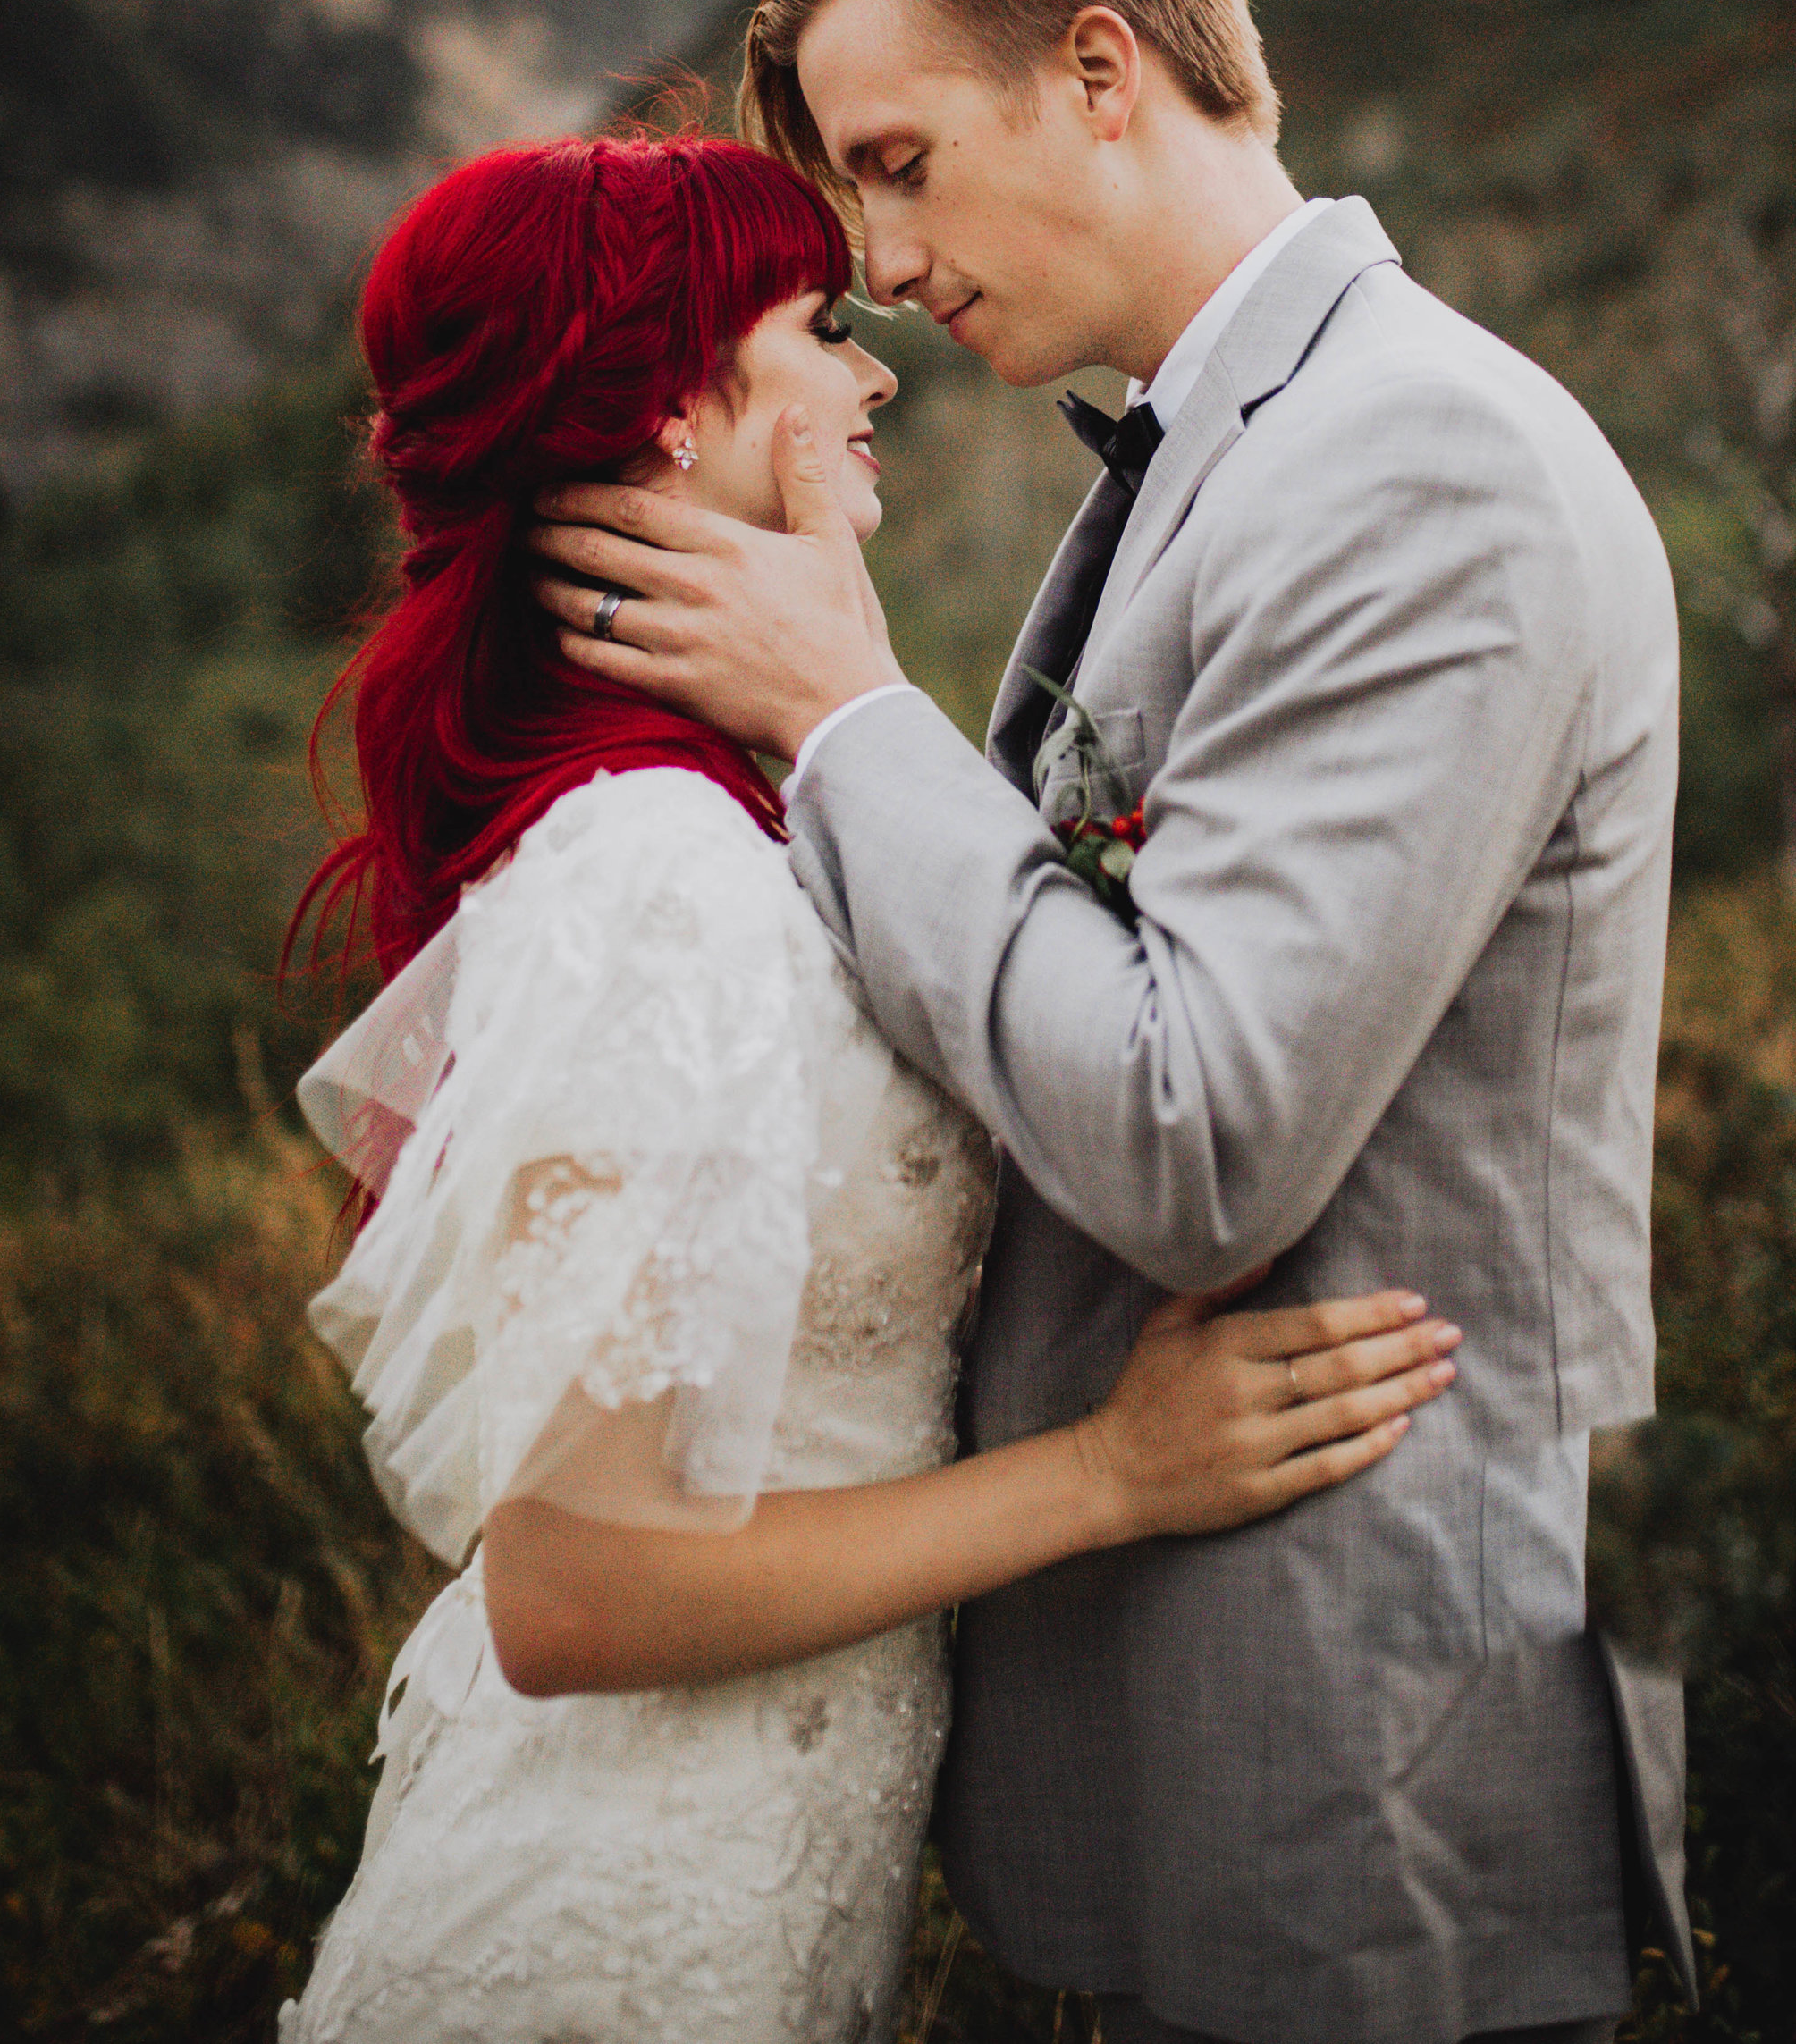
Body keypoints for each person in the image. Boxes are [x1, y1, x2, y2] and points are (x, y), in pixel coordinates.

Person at [532, 0, 1699, 2044]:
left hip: (1342, 1771)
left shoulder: (1413, 462)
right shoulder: (1225, 453)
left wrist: (846, 712)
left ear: (1095, 71)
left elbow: (1197, 1136)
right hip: (1171, 1748)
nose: (872, 256)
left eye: (894, 162)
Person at [278, 129, 1461, 2044]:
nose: (869, 365)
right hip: (610, 1949)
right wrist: (1107, 1474)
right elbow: (573, 1594)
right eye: (812, 326)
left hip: (751, 1902)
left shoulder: (716, 831)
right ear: (673, 405)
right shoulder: (648, 877)